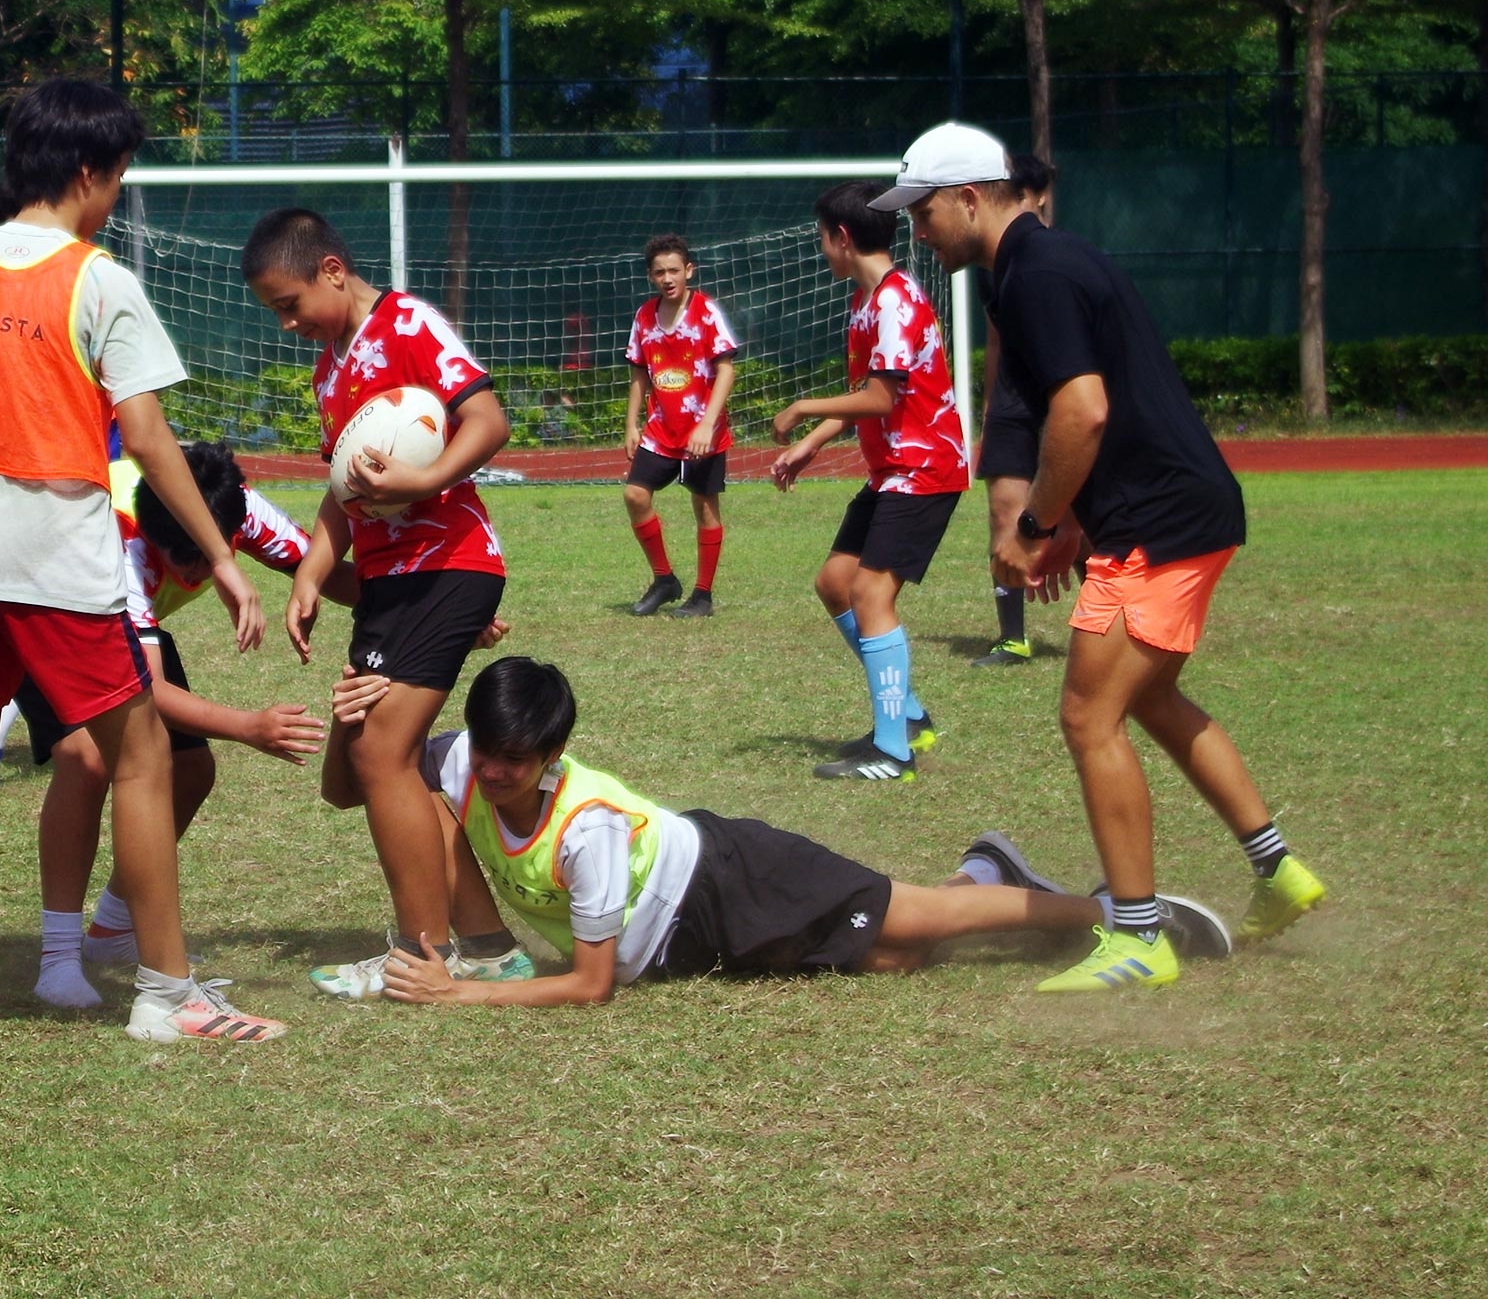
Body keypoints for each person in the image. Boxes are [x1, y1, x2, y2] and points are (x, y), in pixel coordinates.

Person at [0, 78, 287, 1051]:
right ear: (88, 172)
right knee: (140, 758)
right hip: (54, 549)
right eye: (118, 178)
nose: (116, 197)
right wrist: (222, 556)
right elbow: (149, 437)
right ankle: (169, 995)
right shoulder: (99, 280)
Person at [880, 120, 1329, 991]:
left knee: (1090, 717)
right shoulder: (1047, 264)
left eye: (925, 211)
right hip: (1175, 512)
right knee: (1151, 698)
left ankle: (1138, 936)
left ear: (971, 199)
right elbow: (1114, 410)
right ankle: (1278, 870)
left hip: (1159, 524)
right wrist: (1077, 529)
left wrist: (1039, 528)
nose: (919, 230)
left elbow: (1083, 412)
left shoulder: (1037, 276)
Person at [328, 657, 1227, 1007]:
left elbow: (593, 985)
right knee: (889, 960)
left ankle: (1108, 911)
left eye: (513, 762)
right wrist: (351, 718)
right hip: (687, 946)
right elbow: (357, 786)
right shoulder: (455, 766)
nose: (489, 772)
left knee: (905, 921)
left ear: (555, 754)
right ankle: (985, 875)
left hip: (729, 878)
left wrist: (463, 996)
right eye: (486, 752)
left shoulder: (587, 829)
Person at [240, 208, 534, 1000]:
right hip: (387, 585)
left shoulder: (408, 324)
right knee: (354, 774)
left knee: (381, 756)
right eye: (279, 313)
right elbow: (342, 496)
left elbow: (489, 419)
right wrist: (309, 574)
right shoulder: (327, 373)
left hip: (451, 565)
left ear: (332, 269)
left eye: (291, 303)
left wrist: (426, 481)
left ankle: (421, 955)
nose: (290, 323)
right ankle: (489, 947)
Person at [27, 442, 332, 1008]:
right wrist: (247, 725)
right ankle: (58, 959)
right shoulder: (118, 541)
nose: (194, 570)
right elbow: (150, 691)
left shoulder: (233, 507)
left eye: (206, 556)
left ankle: (112, 931)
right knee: (87, 759)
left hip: (124, 627)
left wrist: (430, 609)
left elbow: (318, 565)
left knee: (190, 768)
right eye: (181, 556)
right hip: (46, 612)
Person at [769, 183, 971, 781]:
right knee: (836, 582)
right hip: (893, 472)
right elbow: (870, 397)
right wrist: (810, 445)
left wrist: (803, 408)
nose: (822, 251)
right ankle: (905, 717)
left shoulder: (893, 302)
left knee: (870, 595)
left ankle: (893, 753)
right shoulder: (866, 300)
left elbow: (881, 398)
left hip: (925, 469)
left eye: (822, 240)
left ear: (843, 237)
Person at [621, 235, 740, 618]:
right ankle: (665, 579)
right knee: (635, 496)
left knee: (704, 508)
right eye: (659, 272)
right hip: (660, 428)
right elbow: (639, 372)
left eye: (674, 270)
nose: (667, 278)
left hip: (702, 432)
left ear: (689, 270)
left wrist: (707, 425)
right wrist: (631, 423)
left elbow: (726, 370)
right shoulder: (644, 316)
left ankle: (702, 595)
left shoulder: (706, 312)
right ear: (650, 276)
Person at [973, 154, 1056, 667]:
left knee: (1084, 521)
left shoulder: (1057, 259)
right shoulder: (993, 269)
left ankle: (1107, 624)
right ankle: (1013, 638)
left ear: (1040, 196)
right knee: (1004, 513)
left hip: (1059, 399)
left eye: (1023, 195)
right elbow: (997, 337)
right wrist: (989, 405)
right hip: (1010, 402)